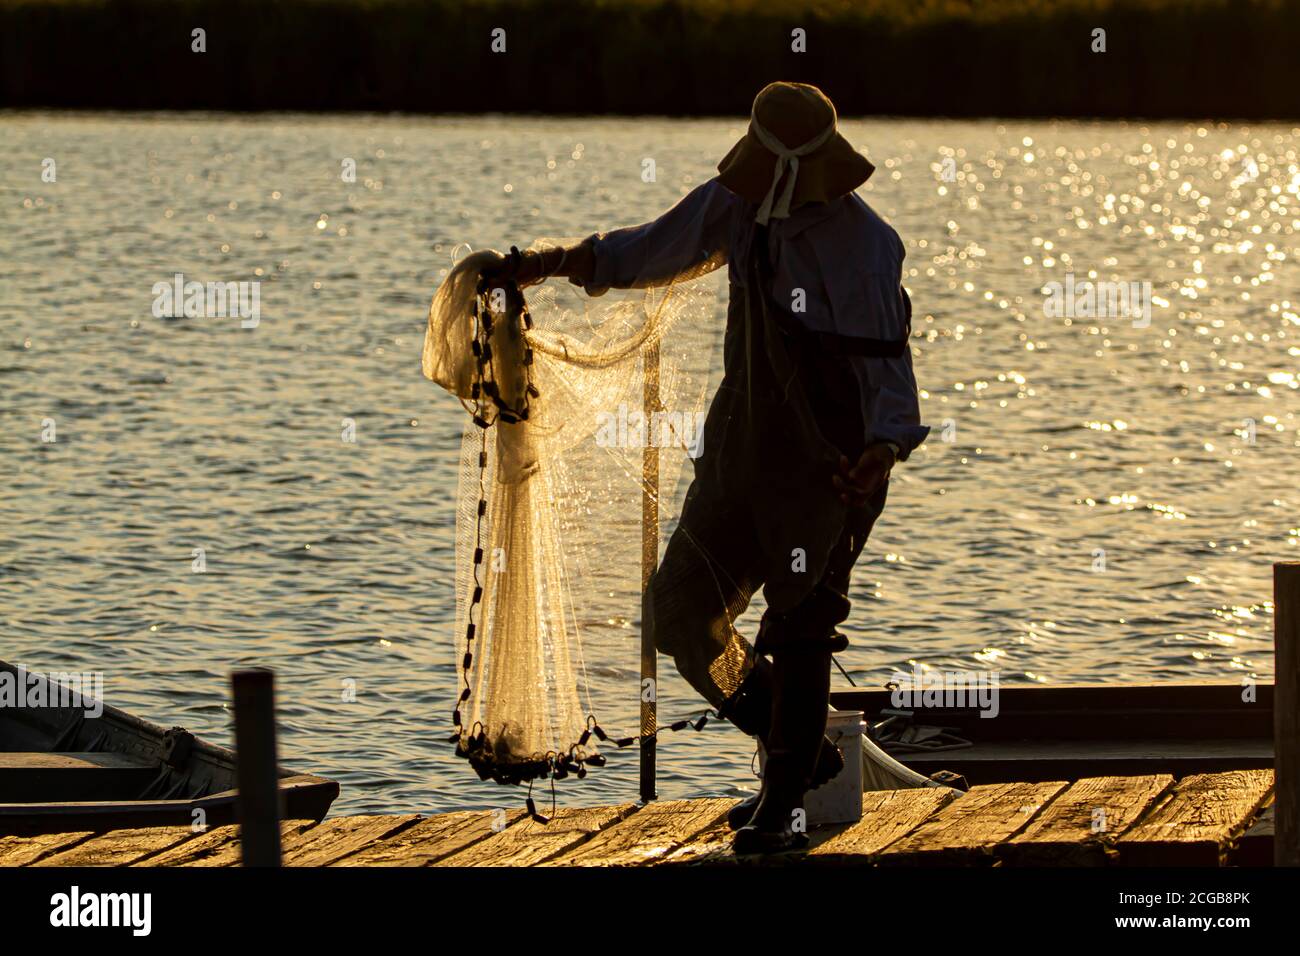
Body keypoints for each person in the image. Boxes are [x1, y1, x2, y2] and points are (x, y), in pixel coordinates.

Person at [487, 81, 928, 854]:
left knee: (800, 628)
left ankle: (786, 793)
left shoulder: (864, 246)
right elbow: (648, 248)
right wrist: (544, 262)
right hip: (739, 460)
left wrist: (883, 451)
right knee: (680, 616)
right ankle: (799, 746)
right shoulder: (736, 208)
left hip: (833, 471)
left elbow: (888, 372)